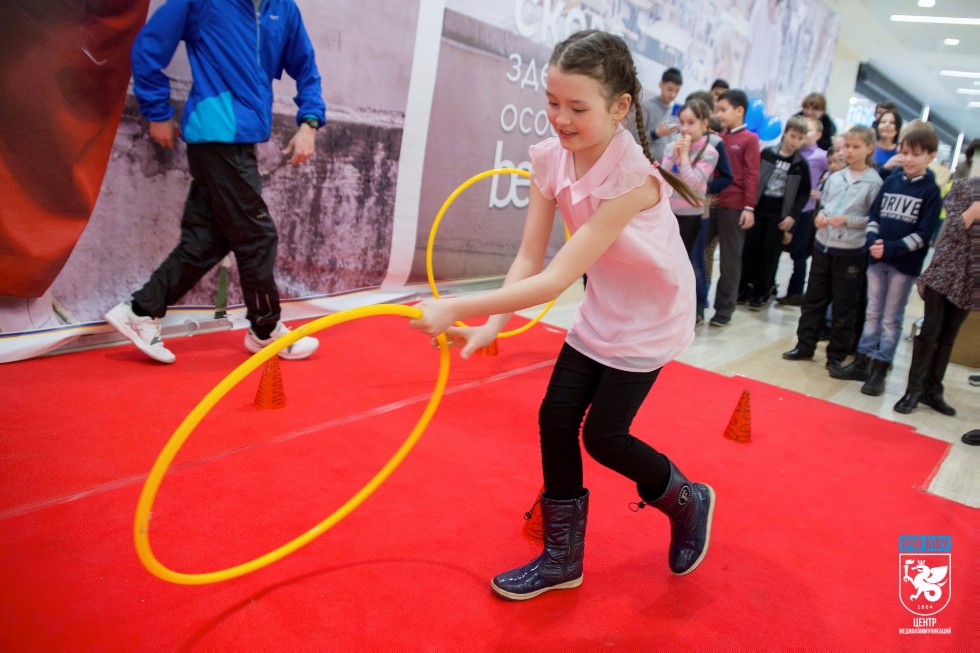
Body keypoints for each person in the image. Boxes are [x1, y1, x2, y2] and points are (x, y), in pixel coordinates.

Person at [409, 30, 714, 601]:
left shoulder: (633, 179)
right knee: (555, 418)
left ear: (621, 106)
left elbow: (552, 281)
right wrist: (489, 326)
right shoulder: (551, 158)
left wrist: (454, 305)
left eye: (577, 107)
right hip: (605, 305)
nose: (560, 118)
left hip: (650, 316)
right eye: (552, 102)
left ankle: (686, 498)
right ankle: (561, 558)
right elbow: (530, 256)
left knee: (604, 436)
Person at [103, 0, 325, 364]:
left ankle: (141, 311)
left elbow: (306, 67)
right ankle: (265, 330)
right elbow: (148, 49)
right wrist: (157, 111)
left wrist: (309, 123)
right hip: (215, 132)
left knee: (208, 238)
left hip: (244, 138)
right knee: (257, 235)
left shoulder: (283, 8)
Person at [833, 121, 942, 396]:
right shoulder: (891, 180)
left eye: (916, 154)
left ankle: (880, 368)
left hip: (903, 265)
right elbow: (874, 217)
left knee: (891, 318)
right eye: (905, 152)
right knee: (871, 313)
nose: (908, 159)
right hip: (876, 258)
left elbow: (923, 235)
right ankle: (862, 361)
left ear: (930, 156)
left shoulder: (930, 191)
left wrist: (890, 248)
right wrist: (872, 242)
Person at [783, 126, 882, 369]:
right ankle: (804, 344)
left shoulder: (874, 182)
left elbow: (872, 219)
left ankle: (835, 354)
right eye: (846, 146)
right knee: (813, 299)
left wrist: (849, 221)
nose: (848, 151)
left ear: (869, 149)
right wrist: (822, 216)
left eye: (855, 147)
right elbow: (825, 205)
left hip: (850, 251)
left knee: (843, 305)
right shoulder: (835, 177)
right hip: (823, 246)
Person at [894, 175, 977, 416]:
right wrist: (972, 212)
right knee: (930, 330)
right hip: (945, 270)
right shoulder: (965, 186)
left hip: (972, 277)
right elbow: (950, 231)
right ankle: (913, 390)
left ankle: (933, 389)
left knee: (950, 335)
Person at [739, 115, 811, 309]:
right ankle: (743, 287)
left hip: (779, 214)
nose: (795, 141)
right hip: (759, 208)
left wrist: (792, 216)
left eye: (799, 138)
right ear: (785, 133)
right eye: (792, 135)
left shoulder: (800, 164)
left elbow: (804, 193)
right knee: (749, 250)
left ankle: (760, 292)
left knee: (769, 254)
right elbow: (753, 178)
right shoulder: (768, 153)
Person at [703, 89, 761, 327]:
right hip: (712, 203)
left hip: (735, 207)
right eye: (717, 109)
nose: (719, 114)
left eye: (723, 109)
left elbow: (752, 174)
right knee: (701, 252)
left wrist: (749, 207)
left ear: (739, 111)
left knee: (729, 260)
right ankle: (697, 303)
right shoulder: (718, 137)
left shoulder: (750, 139)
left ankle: (724, 310)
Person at [778, 116, 828, 305]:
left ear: (818, 134)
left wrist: (820, 193)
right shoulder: (793, 153)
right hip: (783, 209)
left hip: (803, 211)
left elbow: (834, 172)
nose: (804, 134)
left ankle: (796, 291)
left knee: (798, 254)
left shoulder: (820, 156)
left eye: (809, 130)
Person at [662, 98, 720, 255]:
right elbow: (661, 180)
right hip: (666, 211)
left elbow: (692, 183)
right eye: (681, 122)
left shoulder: (710, 153)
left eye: (691, 122)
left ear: (704, 123)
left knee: (679, 260)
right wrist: (673, 157)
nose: (684, 128)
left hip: (689, 215)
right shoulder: (670, 147)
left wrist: (684, 155)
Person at [634, 67, 683, 162]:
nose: (673, 94)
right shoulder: (646, 107)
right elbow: (634, 139)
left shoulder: (673, 113)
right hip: (643, 162)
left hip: (662, 166)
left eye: (677, 91)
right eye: (670, 89)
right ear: (661, 85)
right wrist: (655, 134)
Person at [873, 110, 902, 177]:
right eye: (883, 122)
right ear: (878, 126)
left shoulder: (900, 152)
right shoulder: (868, 148)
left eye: (892, 123)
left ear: (898, 128)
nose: (887, 125)